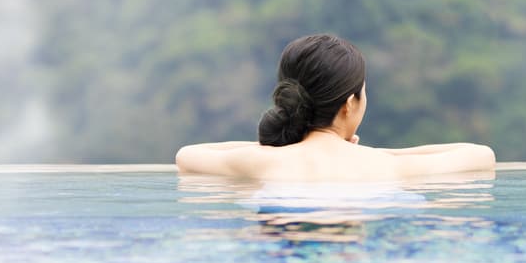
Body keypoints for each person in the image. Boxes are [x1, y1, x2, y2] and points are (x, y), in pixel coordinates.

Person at [175, 33, 496, 181]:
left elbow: (187, 155)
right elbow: (481, 155)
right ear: (349, 104)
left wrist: (270, 148)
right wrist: (378, 152)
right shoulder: (385, 167)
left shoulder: (259, 163)